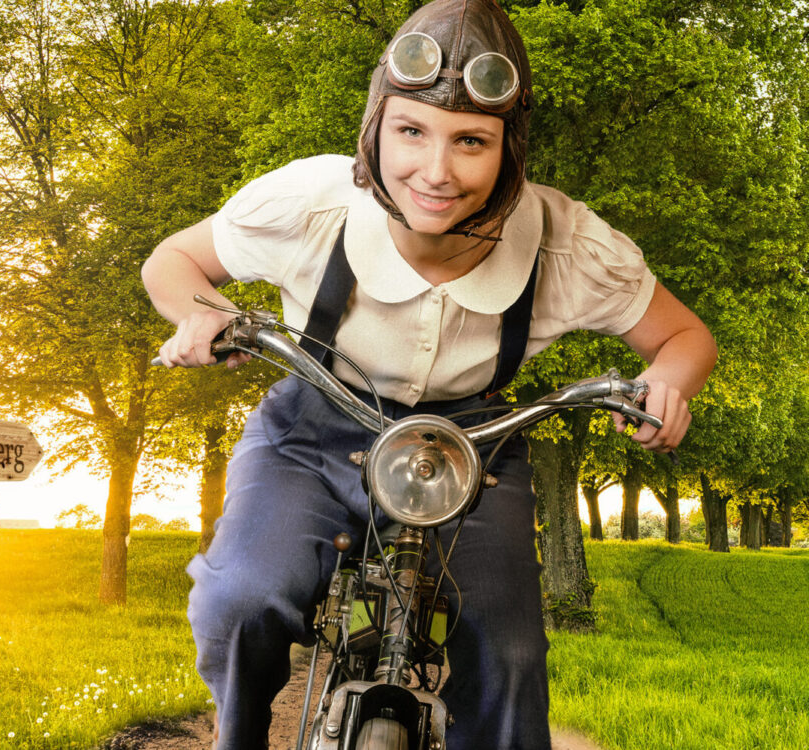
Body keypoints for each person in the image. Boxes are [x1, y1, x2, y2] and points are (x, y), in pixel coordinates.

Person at [141, 0, 717, 747]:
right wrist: (204, 312)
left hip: (471, 447)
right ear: (377, 127)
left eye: (471, 141)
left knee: (509, 656)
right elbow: (173, 261)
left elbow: (683, 336)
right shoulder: (313, 203)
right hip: (311, 434)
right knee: (242, 601)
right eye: (411, 131)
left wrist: (667, 384)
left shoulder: (565, 244)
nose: (435, 173)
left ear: (509, 149)